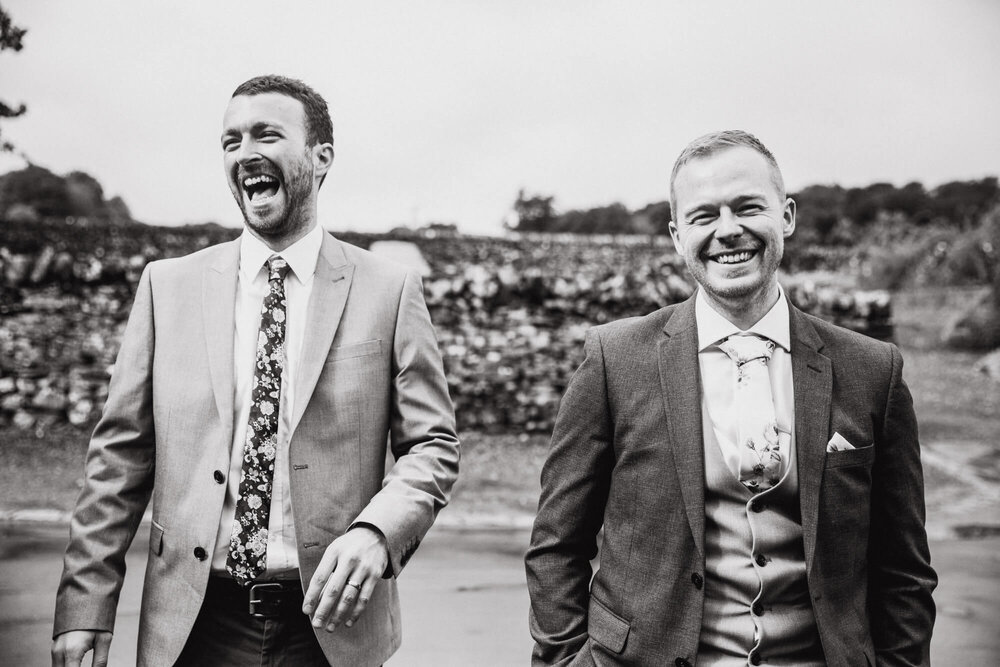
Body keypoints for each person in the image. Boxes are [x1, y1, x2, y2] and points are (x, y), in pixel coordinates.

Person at [52, 75, 460, 667]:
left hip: (330, 626)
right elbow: (119, 458)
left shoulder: (389, 291)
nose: (246, 153)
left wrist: (378, 532)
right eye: (230, 141)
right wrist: (85, 605)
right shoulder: (166, 289)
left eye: (267, 134)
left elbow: (433, 446)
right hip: (192, 626)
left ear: (321, 158)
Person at [525, 130, 936, 666]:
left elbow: (903, 570)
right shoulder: (614, 360)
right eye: (703, 216)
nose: (728, 230)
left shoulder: (871, 370)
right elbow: (556, 544)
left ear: (785, 216)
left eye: (747, 208)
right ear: (677, 235)